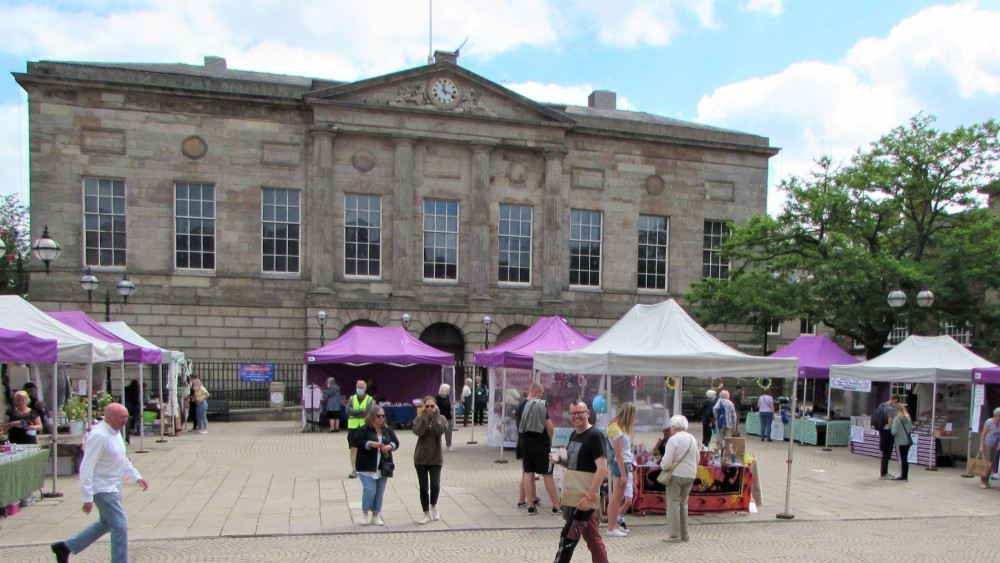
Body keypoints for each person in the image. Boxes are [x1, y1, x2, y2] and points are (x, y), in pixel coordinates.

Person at [50, 403, 149, 563]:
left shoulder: (115, 433)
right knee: (119, 525)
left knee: (106, 524)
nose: (125, 420)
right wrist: (87, 497)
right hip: (102, 488)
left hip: (113, 486)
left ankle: (66, 547)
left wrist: (136, 476)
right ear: (109, 417)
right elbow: (86, 467)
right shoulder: (99, 436)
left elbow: (121, 458)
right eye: (121, 417)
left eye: (126, 416)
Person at [552, 400, 608, 563]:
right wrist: (558, 461)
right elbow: (572, 463)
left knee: (567, 537)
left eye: (580, 413)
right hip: (574, 495)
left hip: (584, 497)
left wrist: (589, 496)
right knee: (593, 540)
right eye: (573, 413)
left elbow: (602, 468)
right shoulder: (574, 434)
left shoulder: (595, 436)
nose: (576, 416)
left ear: (588, 413)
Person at [516, 381, 560, 515]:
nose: (542, 395)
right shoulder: (540, 405)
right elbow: (550, 427)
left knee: (528, 473)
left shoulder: (521, 405)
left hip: (524, 443)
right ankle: (556, 506)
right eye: (541, 392)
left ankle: (530, 505)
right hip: (540, 444)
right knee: (547, 474)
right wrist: (551, 440)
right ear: (536, 392)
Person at [353, 406, 399, 526]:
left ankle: (376, 515)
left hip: (383, 466)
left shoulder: (387, 429)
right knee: (369, 490)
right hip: (366, 466)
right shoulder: (364, 429)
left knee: (379, 492)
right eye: (378, 416)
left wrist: (390, 446)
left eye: (383, 416)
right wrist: (370, 444)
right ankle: (365, 513)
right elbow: (357, 441)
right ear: (372, 417)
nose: (381, 418)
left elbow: (396, 442)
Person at [659, 414, 700, 543]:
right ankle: (684, 533)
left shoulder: (673, 440)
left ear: (674, 427)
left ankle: (674, 535)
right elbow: (697, 458)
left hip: (676, 475)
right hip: (690, 474)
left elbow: (666, 462)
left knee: (673, 504)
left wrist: (662, 465)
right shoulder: (692, 439)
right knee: (683, 504)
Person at [413, 395, 448, 524]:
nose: (429, 409)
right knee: (423, 487)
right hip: (421, 458)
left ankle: (433, 506)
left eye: (432, 406)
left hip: (435, 457)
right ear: (423, 407)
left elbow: (440, 431)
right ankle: (426, 513)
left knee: (435, 485)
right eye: (427, 406)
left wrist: (436, 417)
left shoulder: (441, 418)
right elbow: (419, 432)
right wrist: (424, 418)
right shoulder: (419, 419)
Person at [605, 402, 636, 537]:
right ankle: (611, 528)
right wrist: (624, 475)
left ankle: (614, 525)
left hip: (618, 463)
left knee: (616, 497)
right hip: (620, 464)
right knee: (617, 498)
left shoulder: (613, 424)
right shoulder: (617, 430)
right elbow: (619, 453)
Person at [346, 380, 375, 478]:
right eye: (358, 387)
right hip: (353, 427)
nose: (359, 389)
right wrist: (361, 411)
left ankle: (365, 468)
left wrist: (355, 412)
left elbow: (369, 412)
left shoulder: (370, 399)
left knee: (366, 448)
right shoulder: (351, 398)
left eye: (361, 387)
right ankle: (354, 470)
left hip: (365, 427)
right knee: (353, 449)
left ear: (365, 388)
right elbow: (348, 411)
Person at [873, 394, 899, 480]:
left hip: (881, 430)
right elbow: (890, 423)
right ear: (895, 400)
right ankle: (884, 473)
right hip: (887, 432)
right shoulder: (890, 409)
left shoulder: (882, 405)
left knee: (884, 452)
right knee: (887, 453)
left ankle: (883, 472)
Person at [977, 407, 1000, 489]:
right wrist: (981, 446)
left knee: (992, 463)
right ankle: (982, 480)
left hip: (995, 445)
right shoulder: (989, 422)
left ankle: (987, 480)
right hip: (987, 444)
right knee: (986, 462)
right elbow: (983, 434)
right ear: (997, 415)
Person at [890, 402, 913, 482]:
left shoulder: (896, 419)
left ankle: (902, 475)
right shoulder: (908, 418)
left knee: (900, 459)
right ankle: (905, 475)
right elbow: (910, 429)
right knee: (905, 459)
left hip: (899, 441)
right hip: (907, 441)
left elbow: (894, 432)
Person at [437, 384, 454, 452]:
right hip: (440, 417)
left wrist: (451, 410)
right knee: (439, 432)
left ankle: (449, 445)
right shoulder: (437, 398)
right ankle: (438, 446)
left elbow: (449, 405)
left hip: (448, 417)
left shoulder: (447, 397)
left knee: (449, 432)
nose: (449, 391)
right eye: (448, 390)